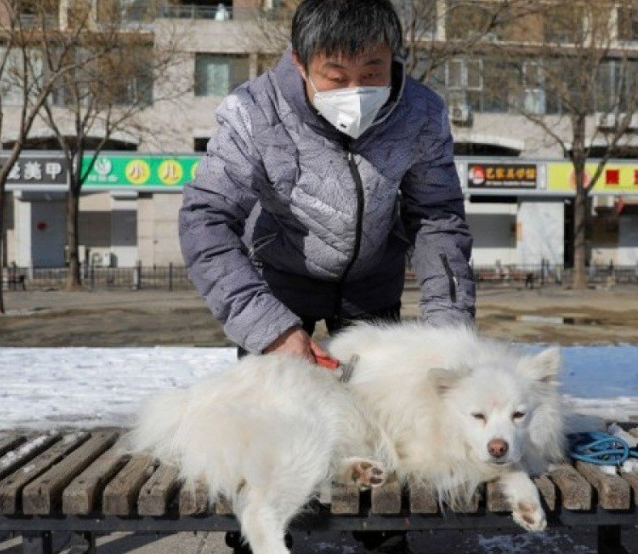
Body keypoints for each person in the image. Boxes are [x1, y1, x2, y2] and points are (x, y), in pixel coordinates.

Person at [179, 0, 476, 550]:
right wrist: (271, 330)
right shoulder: (254, 112)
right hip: (279, 280)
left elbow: (437, 219)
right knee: (274, 413)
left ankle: (380, 530)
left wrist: (448, 330)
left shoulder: (421, 113)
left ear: (395, 60)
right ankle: (256, 532)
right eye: (336, 77)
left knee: (375, 415)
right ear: (300, 63)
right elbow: (206, 219)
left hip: (371, 283)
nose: (355, 91)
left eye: (372, 74)